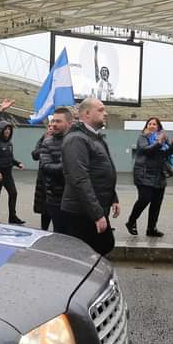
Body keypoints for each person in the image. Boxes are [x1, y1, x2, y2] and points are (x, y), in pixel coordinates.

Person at [60, 98, 119, 256]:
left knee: (103, 246)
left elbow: (101, 173)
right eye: (100, 110)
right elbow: (80, 179)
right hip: (81, 213)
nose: (105, 113)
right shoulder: (76, 139)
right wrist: (97, 214)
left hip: (93, 209)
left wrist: (113, 198)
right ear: (86, 113)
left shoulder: (95, 137)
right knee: (84, 257)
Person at [125, 117, 173, 238]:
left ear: (159, 127)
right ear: (146, 126)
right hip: (144, 173)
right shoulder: (143, 137)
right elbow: (147, 150)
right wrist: (159, 143)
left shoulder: (163, 138)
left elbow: (168, 153)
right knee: (145, 199)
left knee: (156, 203)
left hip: (159, 174)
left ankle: (151, 228)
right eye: (149, 124)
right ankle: (131, 221)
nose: (151, 125)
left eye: (154, 124)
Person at [37, 107, 72, 232]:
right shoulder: (47, 143)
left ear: (69, 123)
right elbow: (45, 167)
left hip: (76, 199)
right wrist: (69, 165)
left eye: (58, 121)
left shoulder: (77, 141)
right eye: (53, 121)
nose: (54, 124)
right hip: (56, 199)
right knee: (60, 235)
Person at [0, 122, 25, 224]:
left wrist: (18, 163)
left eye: (9, 129)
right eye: (5, 129)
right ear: (1, 130)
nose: (8, 131)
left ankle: (12, 217)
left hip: (8, 173)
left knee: (13, 193)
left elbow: (10, 158)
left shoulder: (9, 144)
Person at [31, 125, 53, 229]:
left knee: (56, 210)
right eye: (49, 126)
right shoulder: (43, 139)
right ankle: (44, 230)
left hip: (55, 180)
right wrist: (45, 144)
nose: (50, 128)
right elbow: (35, 155)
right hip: (42, 180)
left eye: (52, 126)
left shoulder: (62, 140)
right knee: (45, 209)